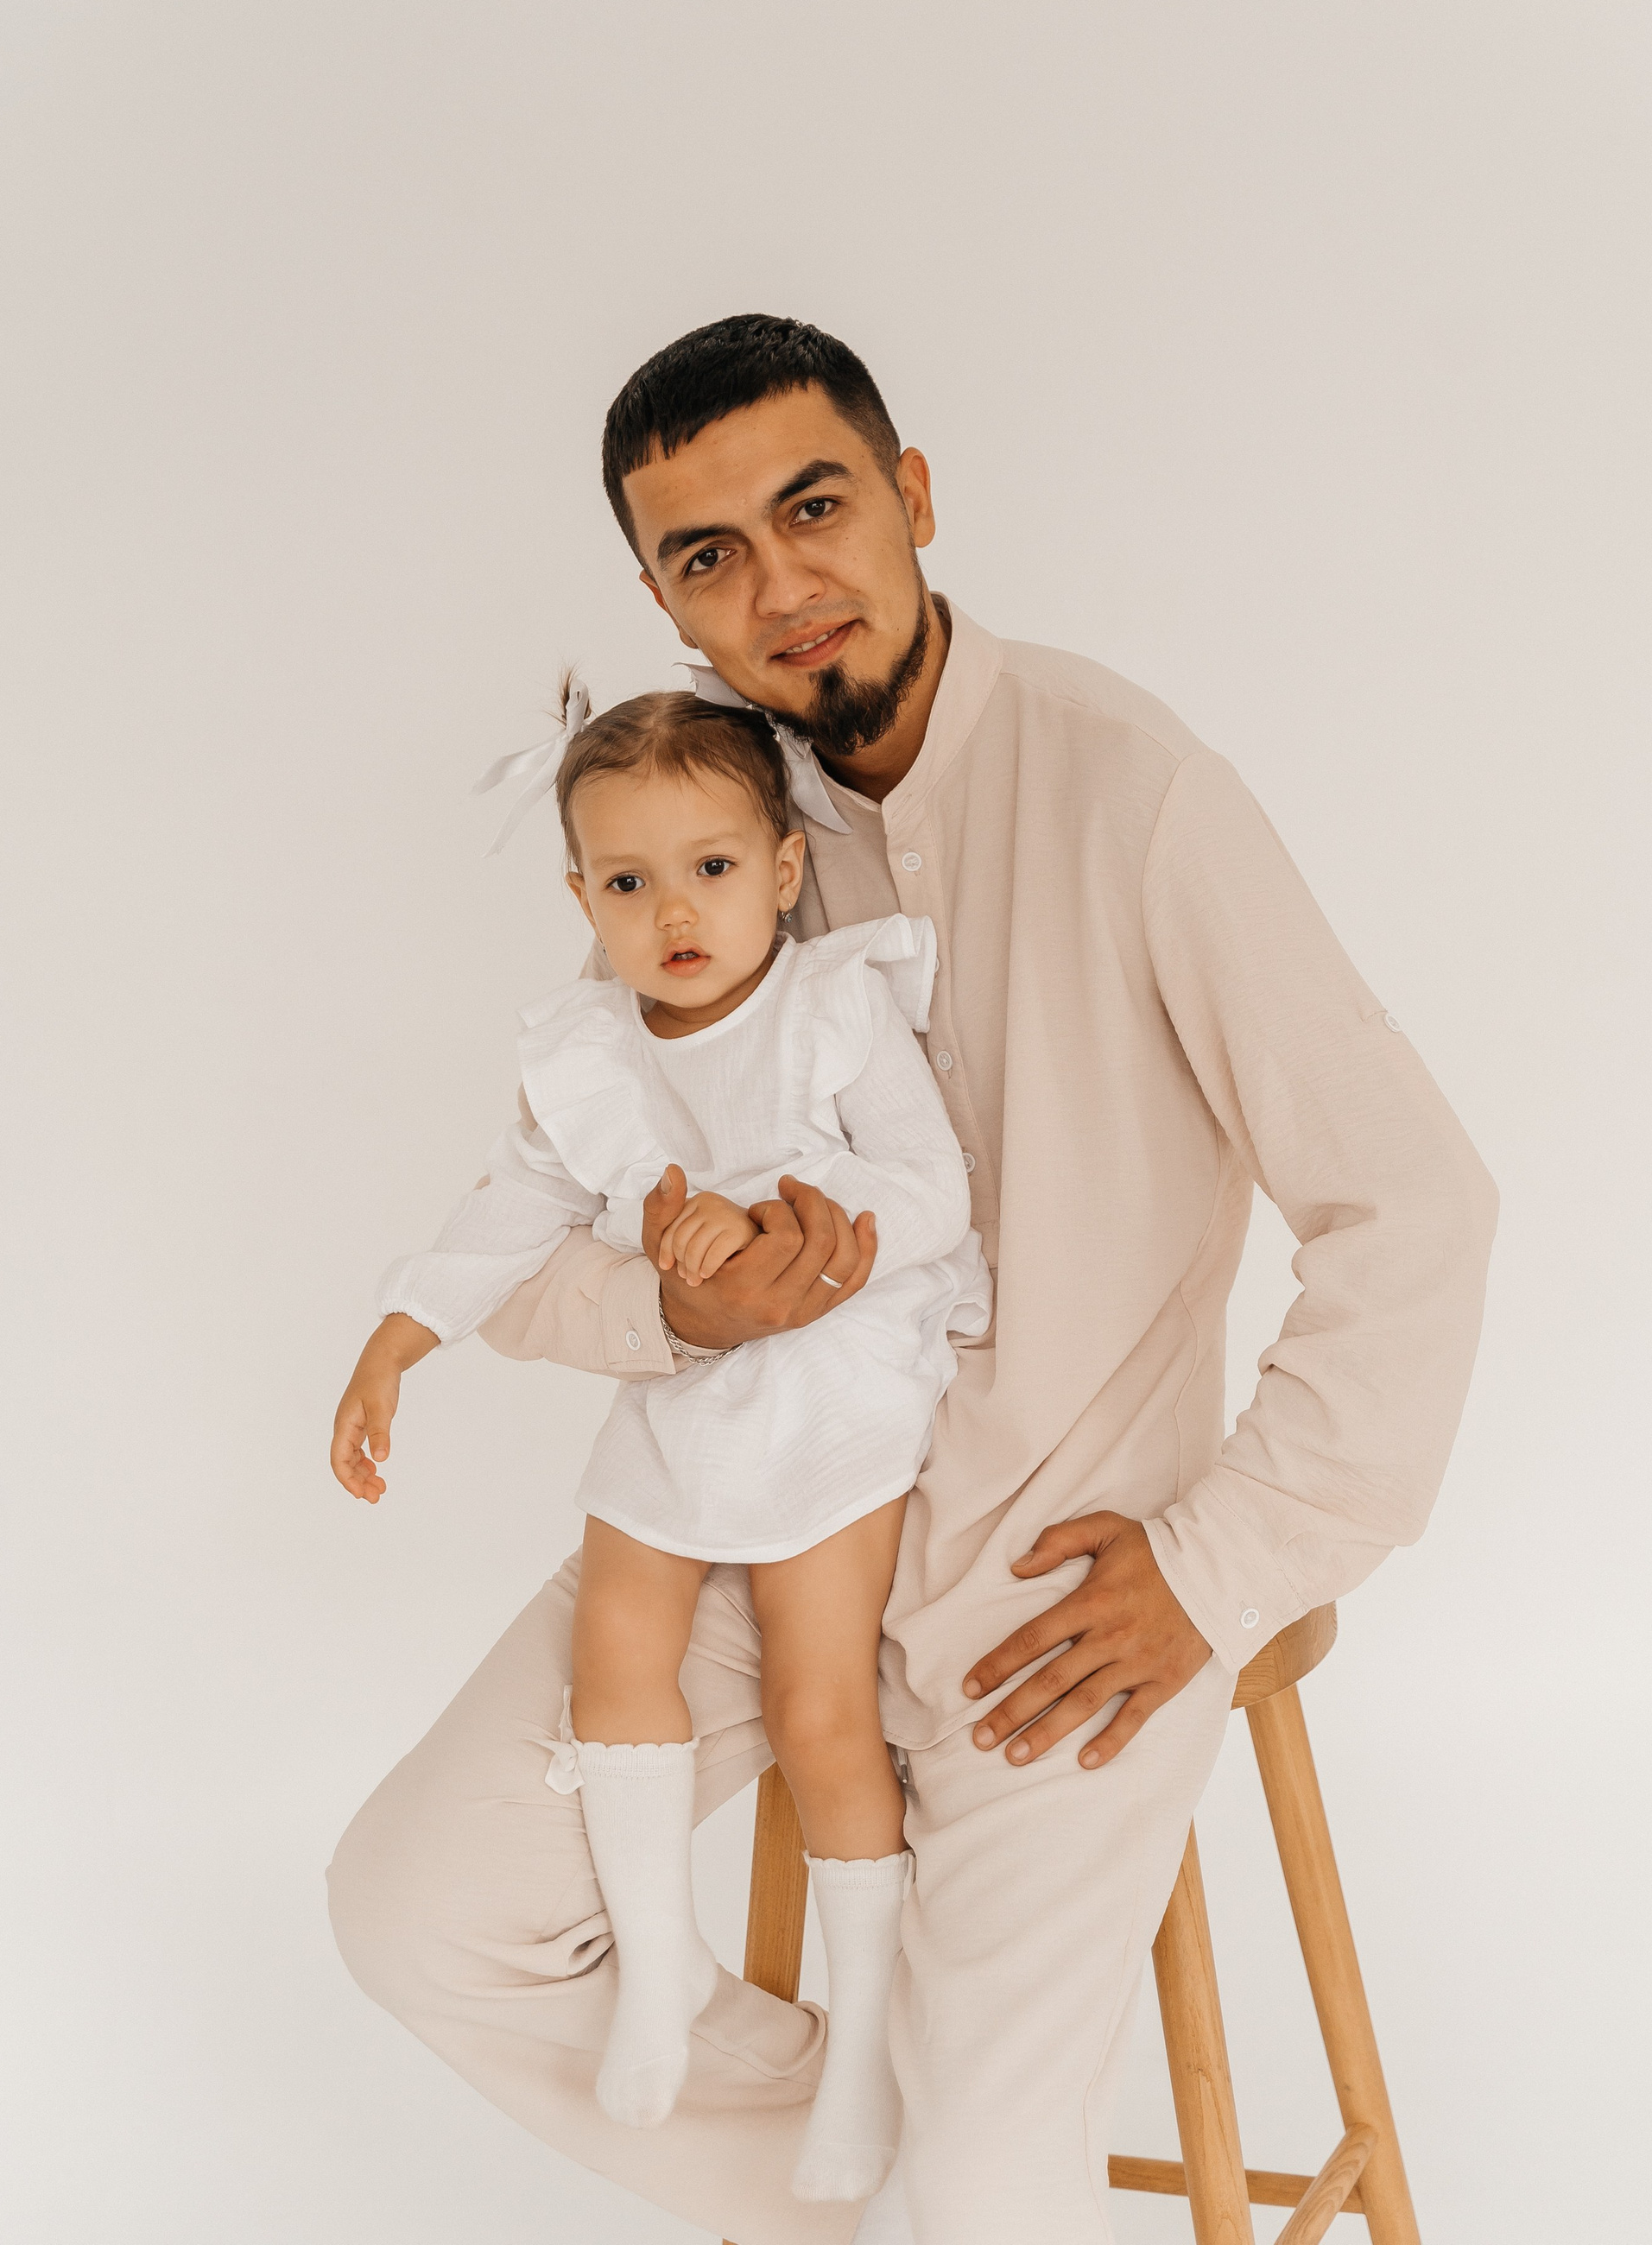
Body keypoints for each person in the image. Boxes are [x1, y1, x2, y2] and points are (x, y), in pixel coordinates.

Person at [328, 313, 1498, 2245]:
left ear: (913, 496)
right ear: (662, 601)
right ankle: (896, 2178)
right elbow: (533, 1227)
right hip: (743, 1524)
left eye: (816, 509)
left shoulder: (1132, 790)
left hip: (1048, 1602)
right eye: (710, 555)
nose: (781, 585)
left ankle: (946, 2185)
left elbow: (1417, 1208)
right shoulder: (697, 827)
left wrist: (1216, 1565)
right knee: (418, 1914)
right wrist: (677, 1313)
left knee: (978, 2196)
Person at [330, 684, 990, 2201]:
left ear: (781, 867)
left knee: (822, 1709)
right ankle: (662, 1964)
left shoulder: (831, 1006)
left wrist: (785, 1228)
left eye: (710, 868)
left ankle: (862, 2049)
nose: (672, 912)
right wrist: (398, 1341)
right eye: (627, 883)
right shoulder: (590, 1049)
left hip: (836, 1388)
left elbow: (932, 1189)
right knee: (614, 1652)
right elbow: (513, 1214)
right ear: (582, 899)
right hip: (691, 1391)